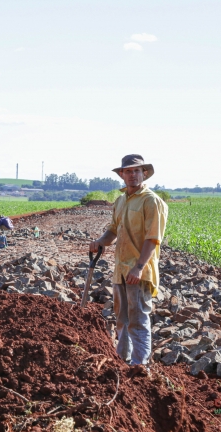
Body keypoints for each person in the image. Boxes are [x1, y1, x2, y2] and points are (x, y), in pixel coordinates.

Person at [88, 154, 168, 372]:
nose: (132, 175)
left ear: (144, 173)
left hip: (138, 271)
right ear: (121, 174)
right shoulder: (121, 201)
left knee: (138, 320)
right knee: (121, 319)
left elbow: (153, 238)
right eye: (128, 171)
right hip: (121, 270)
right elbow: (113, 230)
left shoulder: (151, 201)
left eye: (136, 171)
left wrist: (139, 267)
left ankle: (140, 367)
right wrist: (100, 242)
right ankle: (121, 363)